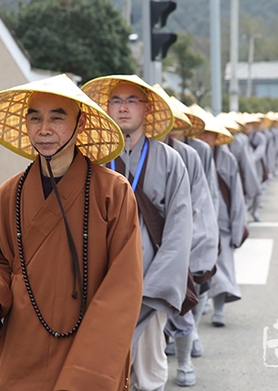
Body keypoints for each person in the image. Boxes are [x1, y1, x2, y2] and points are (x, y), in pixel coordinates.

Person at [0, 74, 144, 390]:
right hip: (23, 350)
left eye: (56, 118)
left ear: (80, 125)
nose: (44, 129)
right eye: (34, 118)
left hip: (87, 349)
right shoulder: (8, 196)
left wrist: (91, 368)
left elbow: (123, 287)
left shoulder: (112, 192)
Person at [83, 75, 192, 391]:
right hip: (102, 285)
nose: (123, 108)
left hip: (149, 282)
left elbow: (179, 227)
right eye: (116, 101)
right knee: (103, 369)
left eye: (132, 101)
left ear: (146, 110)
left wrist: (157, 287)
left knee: (147, 368)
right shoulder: (95, 161)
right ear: (107, 108)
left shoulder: (170, 160)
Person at [153, 86, 219, 387]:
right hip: (139, 246)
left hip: (179, 241)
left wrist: (189, 244)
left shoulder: (189, 155)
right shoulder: (125, 152)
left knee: (181, 305)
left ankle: (184, 361)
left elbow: (199, 202)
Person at [191, 104, 247, 328]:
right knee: (200, 269)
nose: (205, 138)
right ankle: (202, 302)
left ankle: (219, 309)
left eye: (210, 134)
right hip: (196, 225)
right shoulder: (189, 155)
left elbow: (237, 196)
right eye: (201, 133)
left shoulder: (227, 159)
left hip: (222, 223)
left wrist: (237, 227)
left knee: (222, 268)